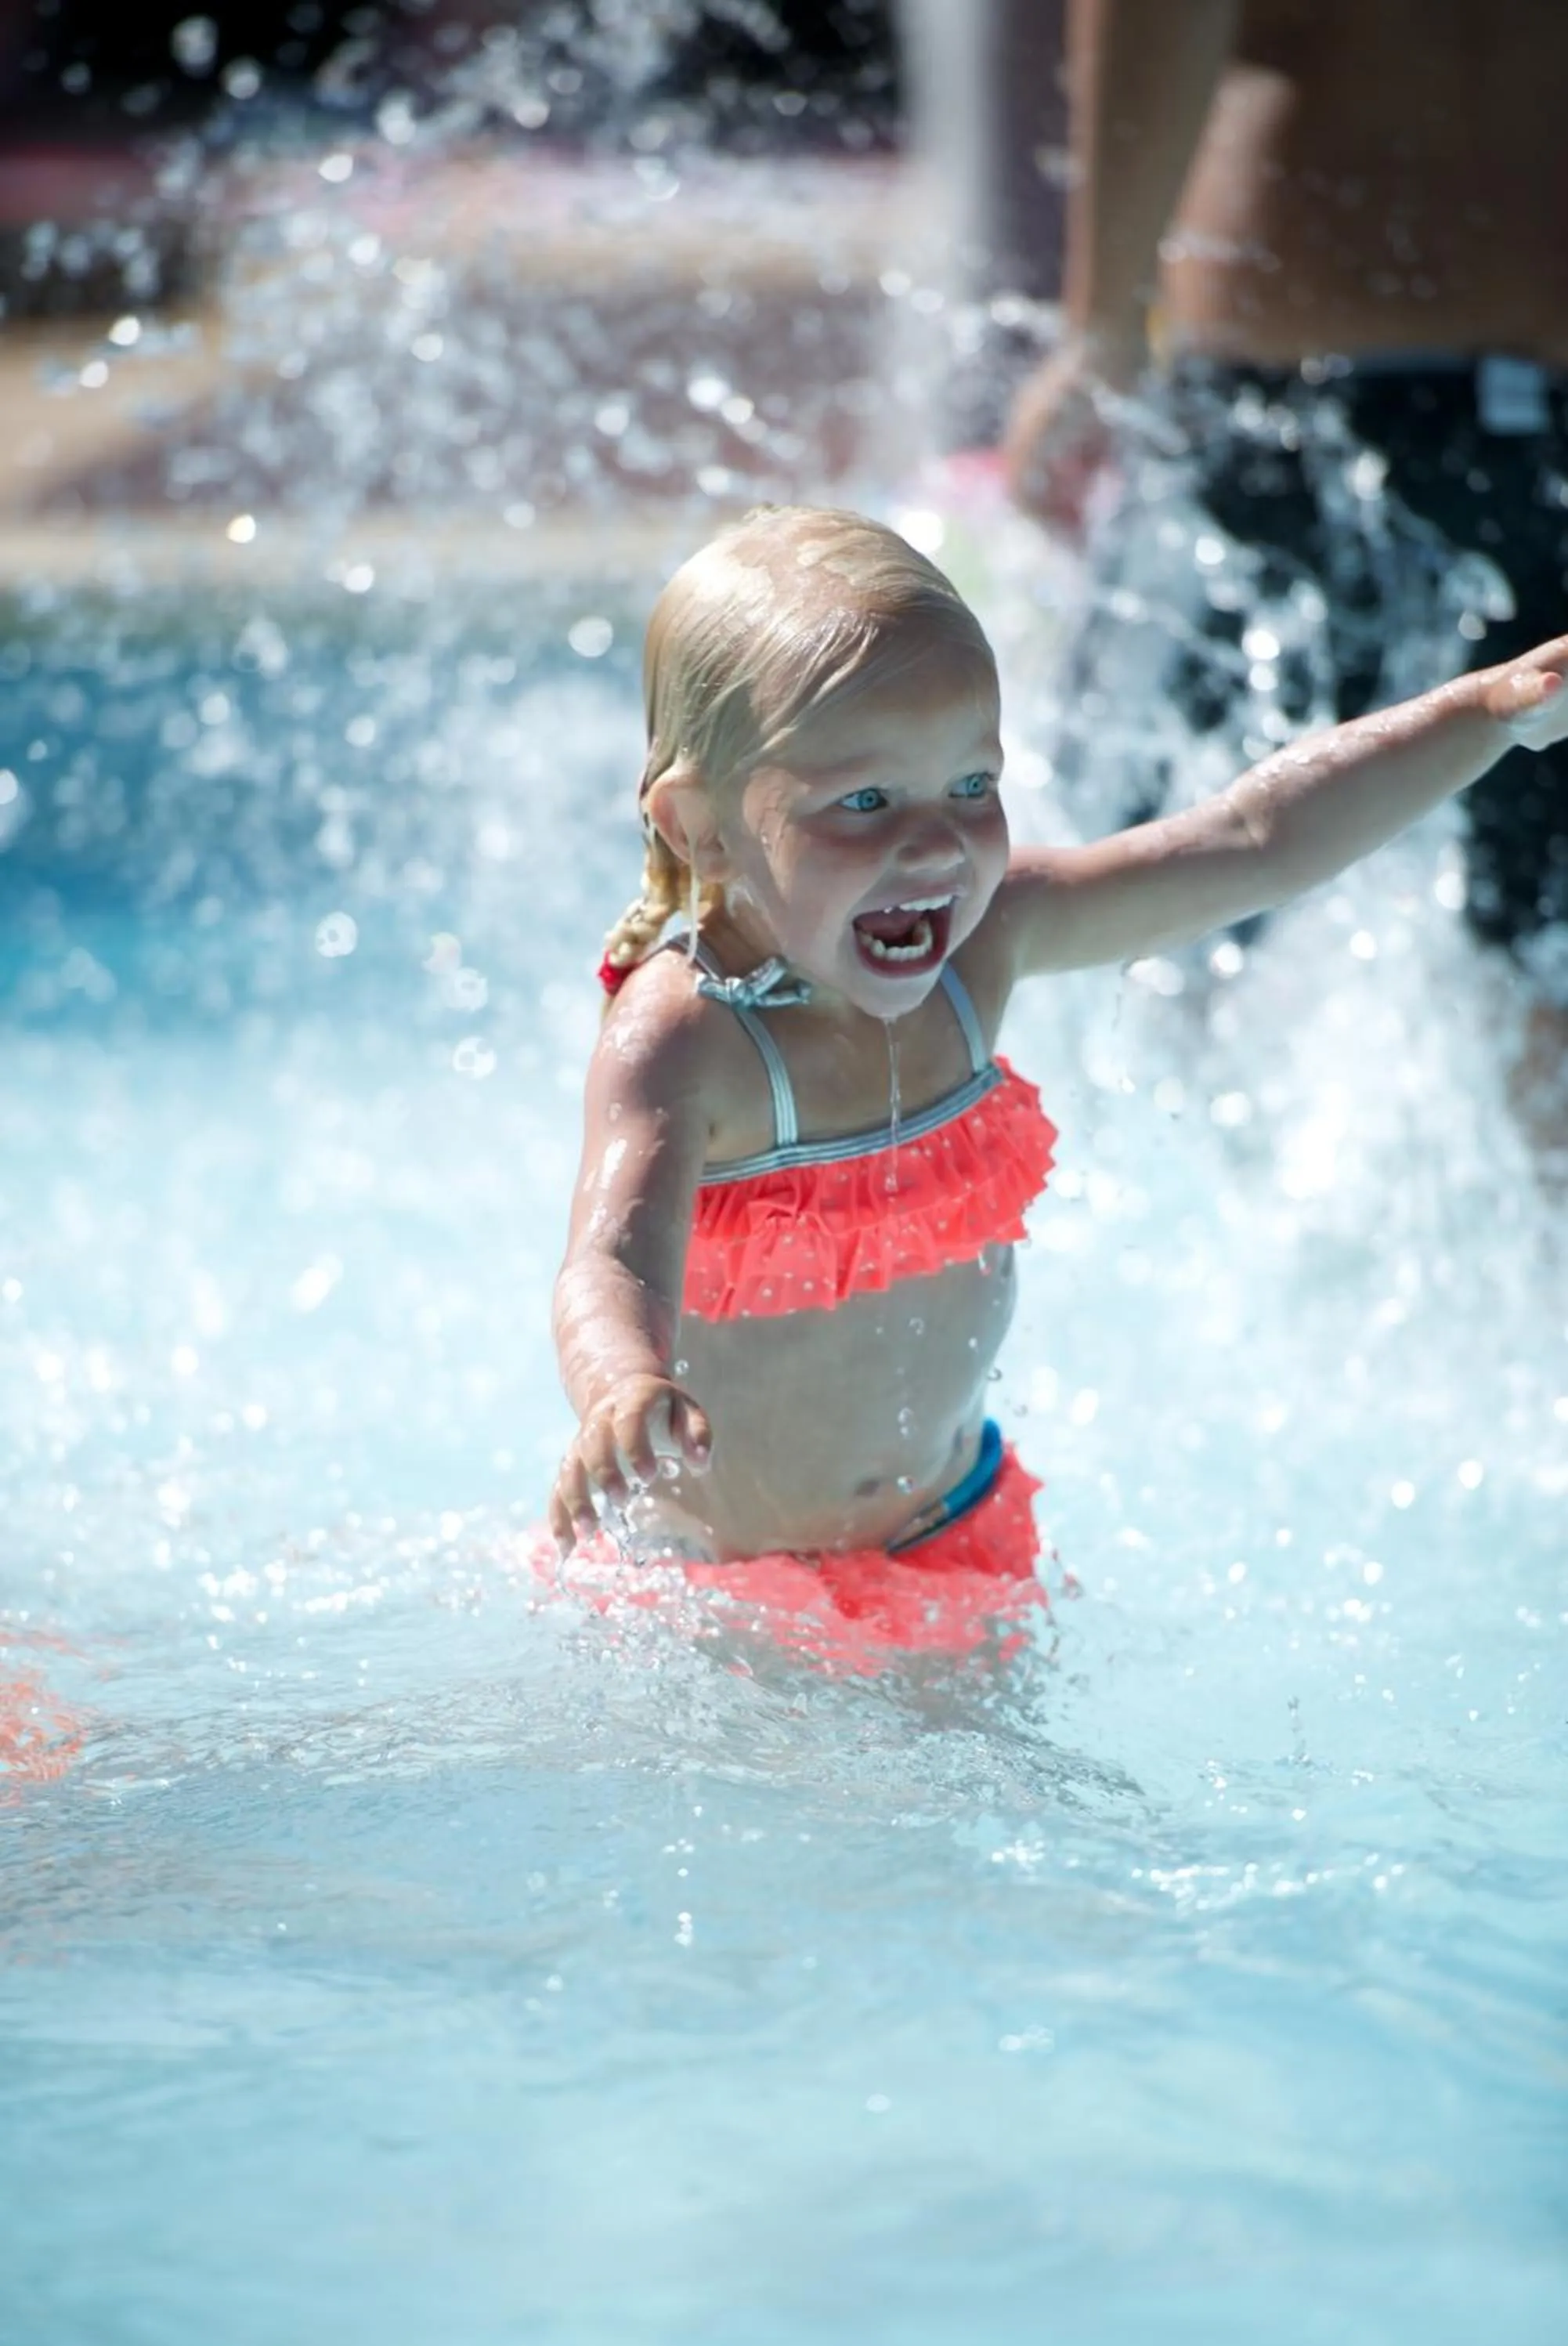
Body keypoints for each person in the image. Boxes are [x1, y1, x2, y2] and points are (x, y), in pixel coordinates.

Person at [548, 504, 1567, 1647]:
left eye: (971, 787)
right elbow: (606, 1263)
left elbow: (1250, 839)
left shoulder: (982, 948)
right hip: (713, 1582)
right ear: (702, 827)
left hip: (950, 1538)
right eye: (864, 801)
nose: (935, 846)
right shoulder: (687, 1037)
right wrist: (620, 1388)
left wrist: (1486, 715)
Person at [998, 0, 1568, 1002]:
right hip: (1531, 393)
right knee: (1534, 967)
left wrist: (1103, 325)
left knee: (1117, 939)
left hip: (1299, 377)